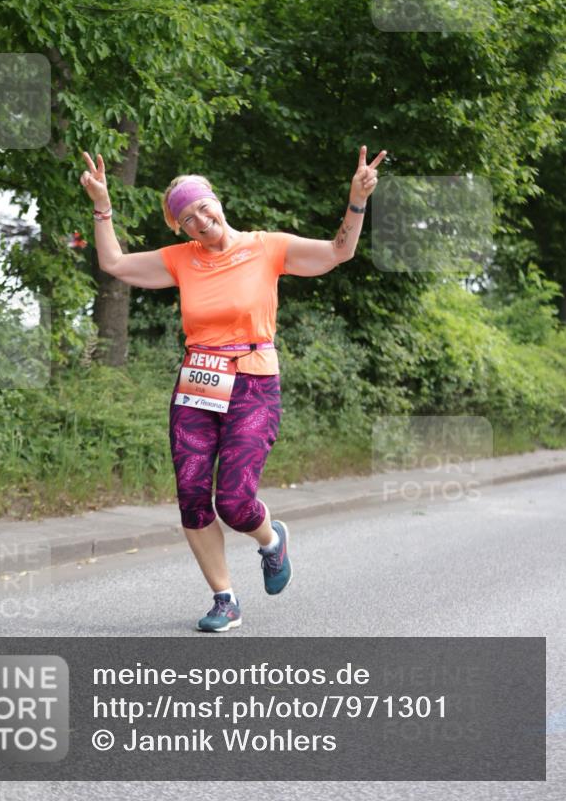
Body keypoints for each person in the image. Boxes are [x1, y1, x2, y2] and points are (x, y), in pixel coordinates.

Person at [80, 146, 386, 631]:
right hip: (196, 385)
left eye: (204, 207)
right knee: (193, 497)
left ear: (218, 202)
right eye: (188, 218)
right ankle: (224, 598)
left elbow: (338, 252)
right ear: (180, 228)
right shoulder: (181, 260)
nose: (201, 221)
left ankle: (271, 540)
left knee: (235, 501)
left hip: (253, 383)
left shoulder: (268, 247)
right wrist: (102, 204)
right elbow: (114, 262)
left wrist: (356, 199)